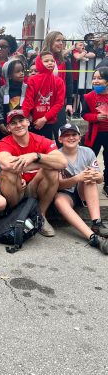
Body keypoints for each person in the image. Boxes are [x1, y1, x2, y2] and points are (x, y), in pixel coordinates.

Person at [0, 109, 68, 237]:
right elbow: (6, 164)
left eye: (21, 121)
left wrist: (35, 156)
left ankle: (41, 216)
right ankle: (15, 213)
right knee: (8, 173)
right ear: (8, 127)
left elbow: (62, 162)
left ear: (28, 122)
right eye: (13, 123)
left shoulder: (42, 140)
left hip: (35, 186)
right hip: (17, 189)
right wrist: (42, 163)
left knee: (52, 170)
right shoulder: (4, 143)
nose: (18, 125)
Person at [54, 123, 108, 254]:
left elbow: (99, 179)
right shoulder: (55, 155)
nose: (71, 137)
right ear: (60, 139)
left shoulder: (88, 152)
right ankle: (92, 237)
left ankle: (96, 222)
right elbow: (58, 185)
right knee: (58, 200)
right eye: (66, 135)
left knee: (89, 178)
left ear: (79, 137)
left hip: (84, 192)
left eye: (74, 134)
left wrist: (99, 175)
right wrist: (77, 178)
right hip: (66, 193)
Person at [21, 52, 66, 139]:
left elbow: (59, 103)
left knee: (45, 147)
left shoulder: (59, 81)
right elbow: (28, 101)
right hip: (32, 122)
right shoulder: (33, 80)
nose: (50, 63)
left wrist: (44, 119)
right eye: (46, 61)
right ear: (39, 63)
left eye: (52, 61)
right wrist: (23, 118)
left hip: (48, 122)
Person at [41, 31, 73, 139]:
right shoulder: (39, 59)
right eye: (58, 40)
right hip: (42, 103)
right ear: (50, 41)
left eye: (62, 41)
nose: (61, 43)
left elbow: (69, 82)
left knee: (61, 136)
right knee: (45, 139)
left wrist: (69, 102)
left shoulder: (65, 61)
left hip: (58, 103)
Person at [82, 67, 108, 196]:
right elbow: (84, 114)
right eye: (94, 78)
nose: (96, 81)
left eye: (100, 78)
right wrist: (96, 117)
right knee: (90, 159)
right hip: (95, 134)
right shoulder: (89, 96)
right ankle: (86, 183)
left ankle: (107, 184)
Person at [0, 59, 27, 135]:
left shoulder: (27, 88)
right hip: (8, 125)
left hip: (23, 125)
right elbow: (0, 108)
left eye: (22, 71)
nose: (22, 73)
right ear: (9, 75)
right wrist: (0, 122)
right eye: (18, 71)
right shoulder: (3, 90)